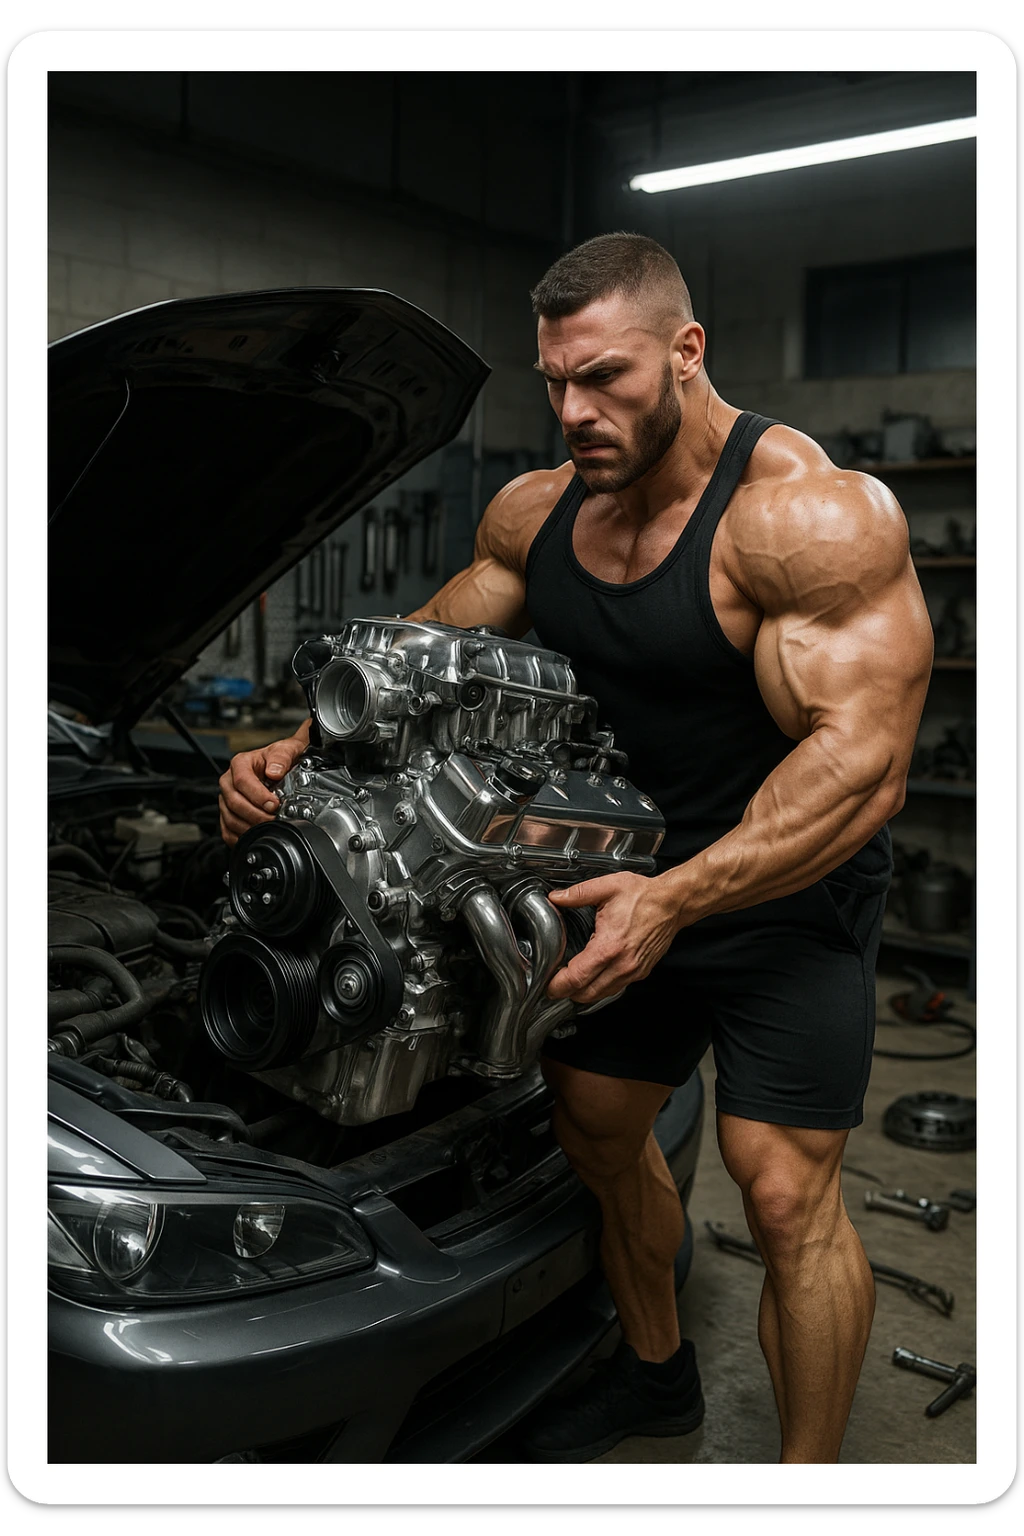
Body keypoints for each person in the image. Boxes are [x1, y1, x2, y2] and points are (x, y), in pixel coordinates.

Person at [218, 233, 933, 1464]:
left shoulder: (804, 519)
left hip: (780, 889)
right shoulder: (540, 511)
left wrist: (677, 901)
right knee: (600, 1137)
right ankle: (657, 1377)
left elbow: (859, 769)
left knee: (780, 1192)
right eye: (554, 381)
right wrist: (294, 747)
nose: (574, 410)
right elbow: (424, 644)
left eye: (605, 376)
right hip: (607, 887)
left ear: (687, 351)